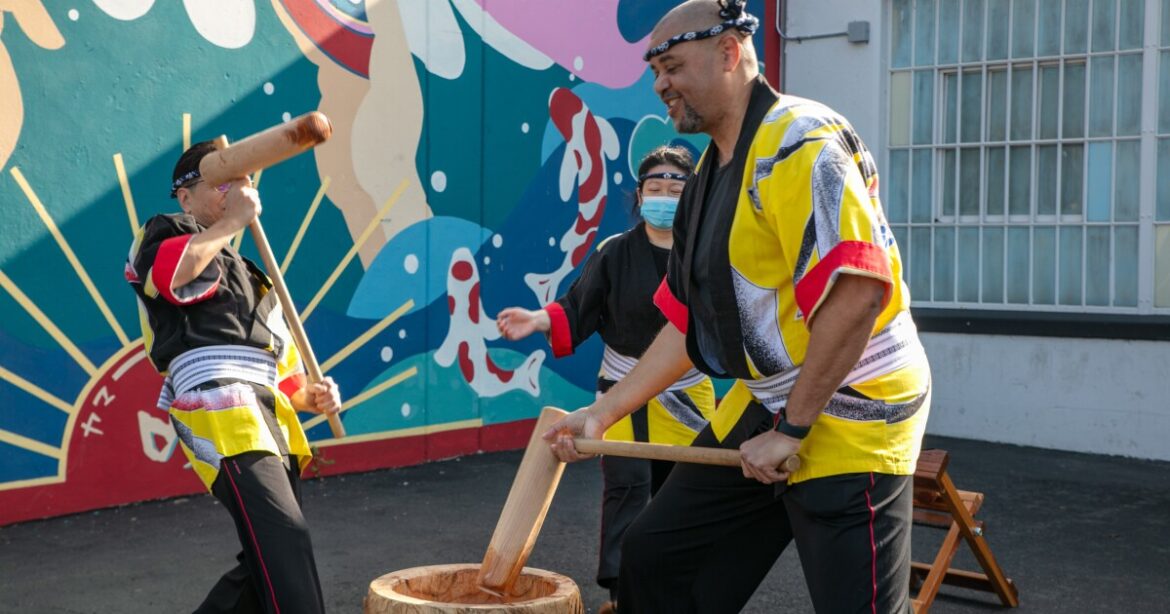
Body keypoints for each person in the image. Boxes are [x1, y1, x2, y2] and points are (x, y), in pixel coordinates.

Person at [544, 1, 932, 612]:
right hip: (771, 400)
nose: (660, 85)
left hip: (854, 407)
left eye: (672, 66)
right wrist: (603, 413)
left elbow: (859, 292)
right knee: (657, 558)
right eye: (655, 71)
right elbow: (687, 321)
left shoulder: (800, 141)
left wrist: (794, 429)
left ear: (729, 53)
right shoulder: (707, 176)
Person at [497, 146, 716, 613]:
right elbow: (579, 306)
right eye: (654, 189)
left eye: (675, 189)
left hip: (686, 396)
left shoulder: (706, 255)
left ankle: (679, 590)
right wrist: (537, 320)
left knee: (684, 494)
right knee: (627, 490)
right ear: (639, 196)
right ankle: (624, 597)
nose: (664, 197)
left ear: (694, 195)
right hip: (620, 395)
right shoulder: (615, 251)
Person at [125, 141, 341, 613]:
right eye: (223, 182)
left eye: (243, 181)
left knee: (265, 560)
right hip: (218, 404)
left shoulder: (254, 275)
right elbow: (170, 279)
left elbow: (287, 384)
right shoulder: (165, 232)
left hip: (269, 415)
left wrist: (315, 397)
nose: (237, 191)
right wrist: (231, 223)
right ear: (185, 197)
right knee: (286, 544)